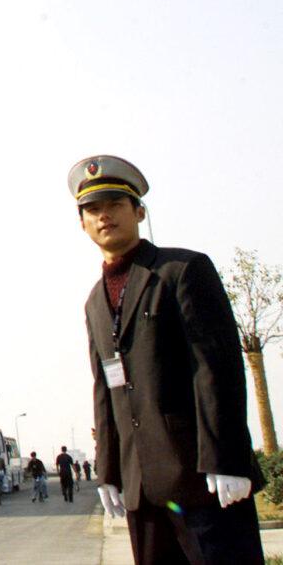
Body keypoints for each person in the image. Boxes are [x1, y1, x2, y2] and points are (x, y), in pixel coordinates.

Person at [69, 155, 265, 564]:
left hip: (202, 480)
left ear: (139, 211)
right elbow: (105, 389)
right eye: (92, 209)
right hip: (142, 488)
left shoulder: (183, 270)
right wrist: (109, 471)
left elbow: (216, 367)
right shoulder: (93, 302)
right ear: (82, 222)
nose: (104, 216)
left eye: (115, 205)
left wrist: (227, 459)